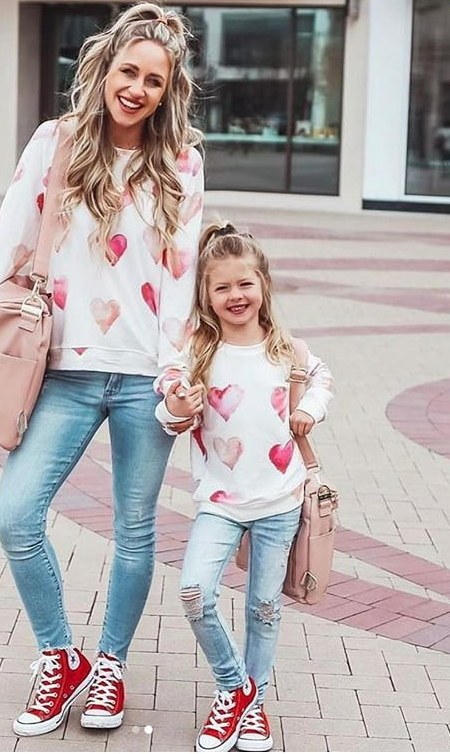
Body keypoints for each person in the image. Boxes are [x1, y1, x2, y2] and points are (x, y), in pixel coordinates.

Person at [0, 1, 204, 738]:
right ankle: (63, 657)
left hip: (147, 377)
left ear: (167, 89)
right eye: (129, 71)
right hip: (63, 370)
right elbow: (7, 243)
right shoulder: (55, 144)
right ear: (104, 68)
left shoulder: (182, 161)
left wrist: (180, 370)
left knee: (135, 531)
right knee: (16, 515)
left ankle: (111, 667)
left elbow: (181, 275)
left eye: (155, 80)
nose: (138, 89)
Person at [155, 222, 334, 752]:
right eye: (222, 287)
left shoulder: (288, 352)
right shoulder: (197, 353)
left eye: (245, 284)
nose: (236, 296)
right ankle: (236, 689)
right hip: (220, 504)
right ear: (206, 297)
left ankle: (252, 707)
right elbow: (169, 408)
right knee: (194, 592)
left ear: (264, 286)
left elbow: (323, 379)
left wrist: (308, 407)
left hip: (280, 502)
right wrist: (176, 409)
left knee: (263, 609)